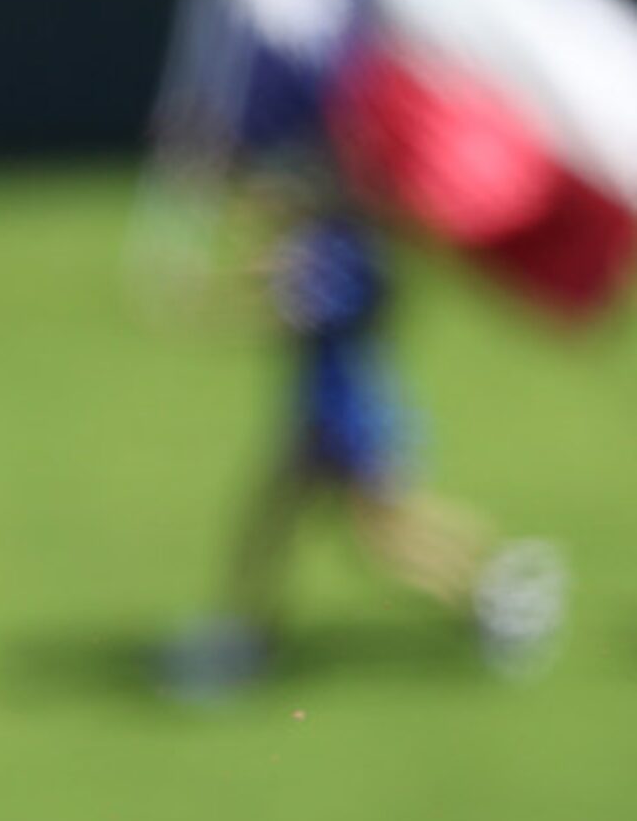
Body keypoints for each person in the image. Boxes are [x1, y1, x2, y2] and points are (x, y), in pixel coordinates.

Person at [161, 169, 567, 699]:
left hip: (349, 415)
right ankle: (245, 638)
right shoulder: (327, 245)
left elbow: (285, 309)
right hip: (326, 412)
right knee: (281, 523)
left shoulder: (339, 253)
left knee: (381, 536)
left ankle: (493, 591)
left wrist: (197, 308)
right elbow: (275, 273)